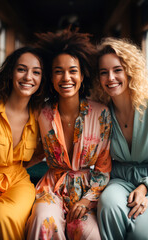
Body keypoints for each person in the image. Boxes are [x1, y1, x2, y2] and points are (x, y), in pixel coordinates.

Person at [26, 29, 112, 240]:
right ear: (51, 77)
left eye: (73, 71)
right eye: (58, 71)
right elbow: (35, 151)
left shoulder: (101, 113)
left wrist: (86, 200)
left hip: (86, 191)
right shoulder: (41, 113)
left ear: (82, 75)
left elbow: (103, 167)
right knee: (42, 220)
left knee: (89, 234)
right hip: (51, 188)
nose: (66, 78)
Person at [92, 37, 148, 240]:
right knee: (108, 203)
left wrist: (144, 188)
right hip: (119, 178)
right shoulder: (102, 111)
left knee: (141, 233)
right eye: (103, 72)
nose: (110, 77)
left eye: (117, 70)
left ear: (129, 71)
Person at [0, 46, 45, 240]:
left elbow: (42, 151)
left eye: (36, 72)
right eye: (21, 69)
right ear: (11, 72)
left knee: (3, 215)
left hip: (18, 180)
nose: (28, 77)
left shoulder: (39, 116)